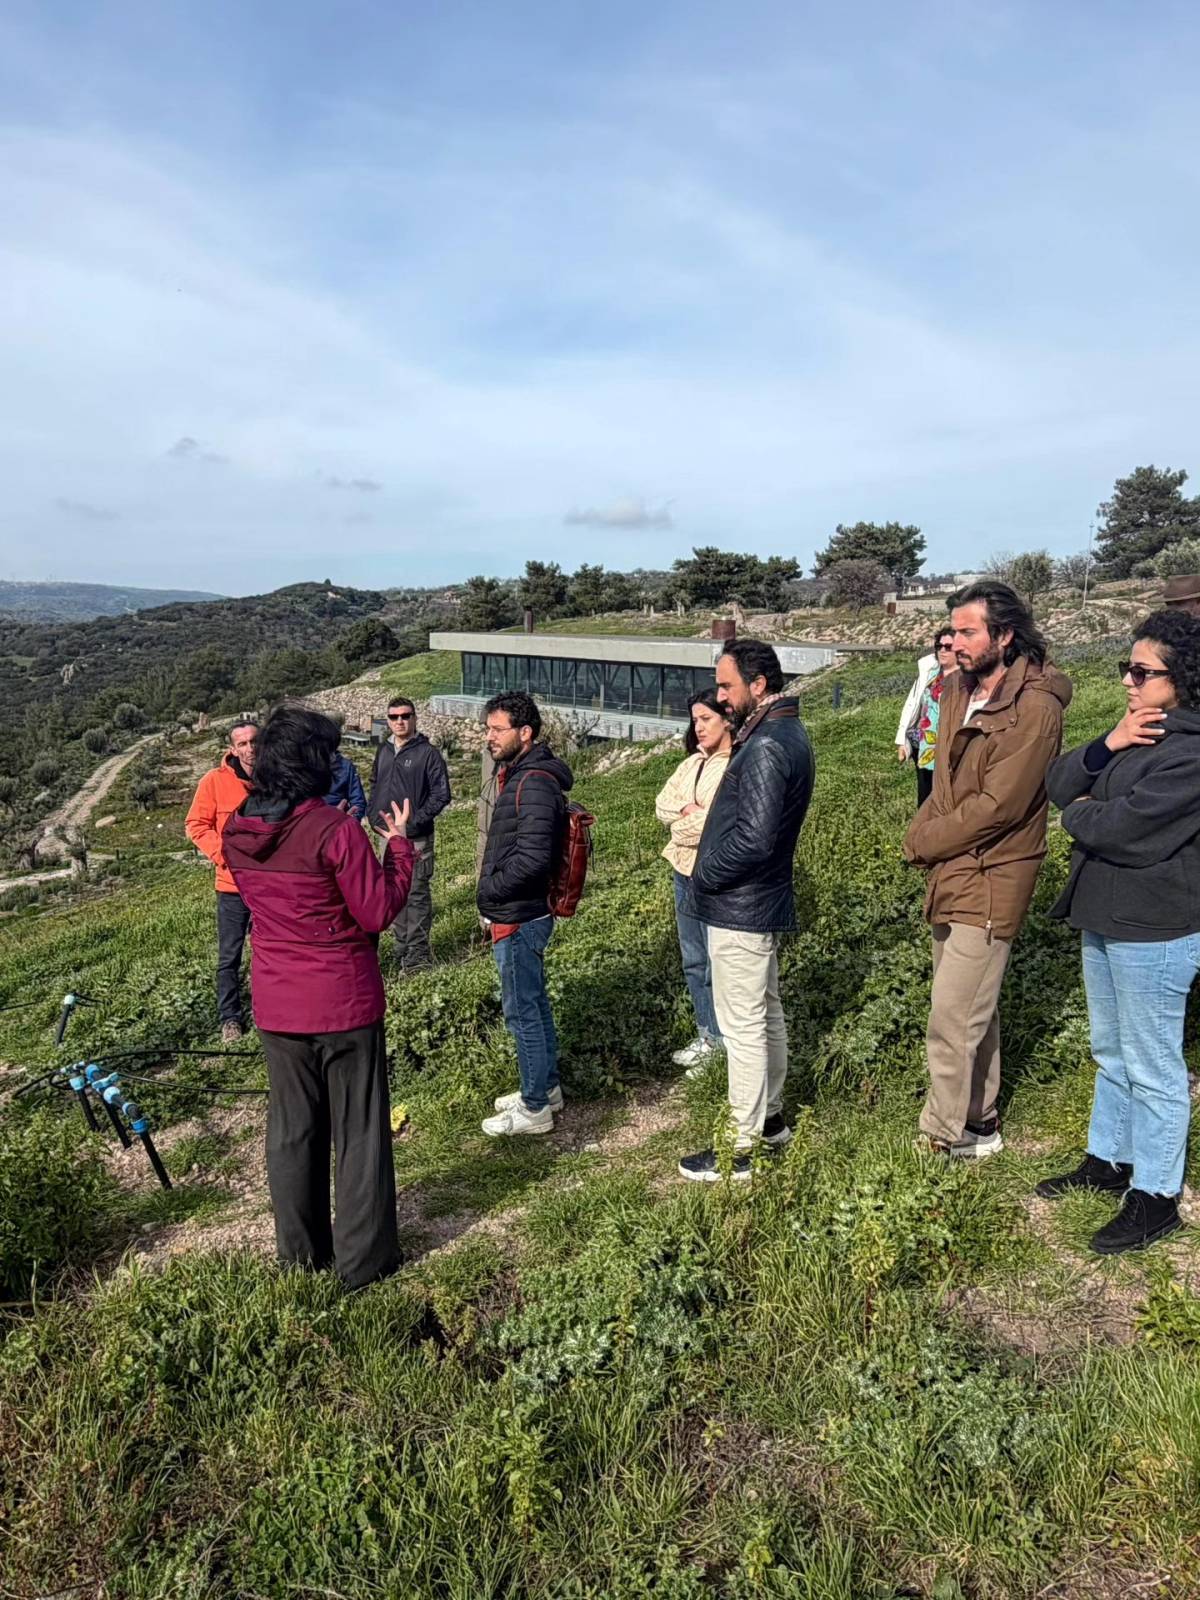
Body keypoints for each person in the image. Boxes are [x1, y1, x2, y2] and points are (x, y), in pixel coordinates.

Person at [221, 707, 414, 1291]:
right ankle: (365, 1265)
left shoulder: (236, 830)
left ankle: (301, 1258)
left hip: (277, 1003)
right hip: (342, 1000)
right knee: (359, 1133)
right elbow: (376, 911)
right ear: (312, 762)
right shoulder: (334, 829)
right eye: (328, 753)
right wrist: (399, 850)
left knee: (293, 1131)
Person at [1038, 611, 1200, 1253]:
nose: (1128, 681)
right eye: (1126, 669)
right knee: (1111, 1049)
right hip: (1106, 916)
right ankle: (1110, 1157)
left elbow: (1126, 831)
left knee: (1153, 1062)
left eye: (1142, 671)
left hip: (1155, 929)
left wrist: (1080, 815)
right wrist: (1108, 742)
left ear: (1181, 677)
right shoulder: (1140, 732)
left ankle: (1156, 1195)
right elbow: (1059, 783)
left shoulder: (1191, 753)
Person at [903, 581, 1071, 1159]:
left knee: (952, 1017)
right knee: (974, 1005)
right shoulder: (957, 688)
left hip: (995, 873)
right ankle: (980, 1119)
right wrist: (924, 831)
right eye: (953, 631)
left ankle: (940, 1137)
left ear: (1004, 635)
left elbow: (1000, 806)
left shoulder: (1035, 708)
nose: (955, 641)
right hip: (954, 866)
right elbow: (945, 783)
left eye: (968, 631)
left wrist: (923, 842)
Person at [678, 641, 815, 1182]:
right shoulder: (783, 732)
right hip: (757, 900)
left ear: (758, 685)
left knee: (743, 1026)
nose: (720, 696)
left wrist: (704, 873)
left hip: (741, 904)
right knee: (765, 1012)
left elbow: (755, 840)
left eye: (726, 685)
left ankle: (742, 1146)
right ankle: (771, 1121)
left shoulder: (766, 745)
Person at [476, 690, 572, 1137]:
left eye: (498, 729)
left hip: (519, 914)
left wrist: (489, 891)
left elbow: (533, 859)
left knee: (522, 1013)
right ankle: (545, 1089)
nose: (489, 737)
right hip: (521, 910)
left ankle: (535, 1109)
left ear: (525, 732)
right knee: (533, 1004)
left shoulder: (532, 781)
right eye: (488, 728)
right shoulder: (522, 774)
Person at [655, 690, 733, 1073]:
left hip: (712, 873)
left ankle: (724, 1038)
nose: (698, 727)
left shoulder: (733, 765)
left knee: (717, 960)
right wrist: (688, 810)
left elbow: (713, 824)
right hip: (681, 869)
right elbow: (661, 804)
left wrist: (681, 823)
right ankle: (707, 1035)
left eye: (706, 718)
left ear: (727, 719)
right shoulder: (692, 763)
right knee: (693, 958)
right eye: (695, 720)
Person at [184, 721, 258, 1043]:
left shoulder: (276, 778)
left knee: (271, 950)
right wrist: (223, 854)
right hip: (231, 886)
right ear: (233, 749)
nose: (250, 748)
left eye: (254, 741)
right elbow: (196, 824)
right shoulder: (213, 782)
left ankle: (267, 1007)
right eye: (242, 743)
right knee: (230, 955)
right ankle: (230, 1019)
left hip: (270, 885)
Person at [366, 699, 451, 972]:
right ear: (388, 720)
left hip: (415, 837)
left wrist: (414, 821)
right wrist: (372, 813)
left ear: (414, 718)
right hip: (387, 836)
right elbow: (375, 783)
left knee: (415, 893)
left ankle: (418, 953)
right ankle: (401, 947)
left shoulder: (428, 753)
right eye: (394, 717)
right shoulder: (383, 750)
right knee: (394, 891)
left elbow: (441, 794)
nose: (400, 721)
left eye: (405, 716)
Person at [896, 628, 958, 806]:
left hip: (949, 748)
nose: (943, 650)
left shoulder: (967, 678)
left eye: (948, 647)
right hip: (924, 746)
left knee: (947, 797)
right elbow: (912, 704)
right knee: (924, 799)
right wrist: (902, 740)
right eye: (939, 646)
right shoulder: (929, 673)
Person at [325, 744, 367, 819]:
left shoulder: (346, 766)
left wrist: (351, 820)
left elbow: (358, 802)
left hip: (339, 819)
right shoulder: (306, 765)